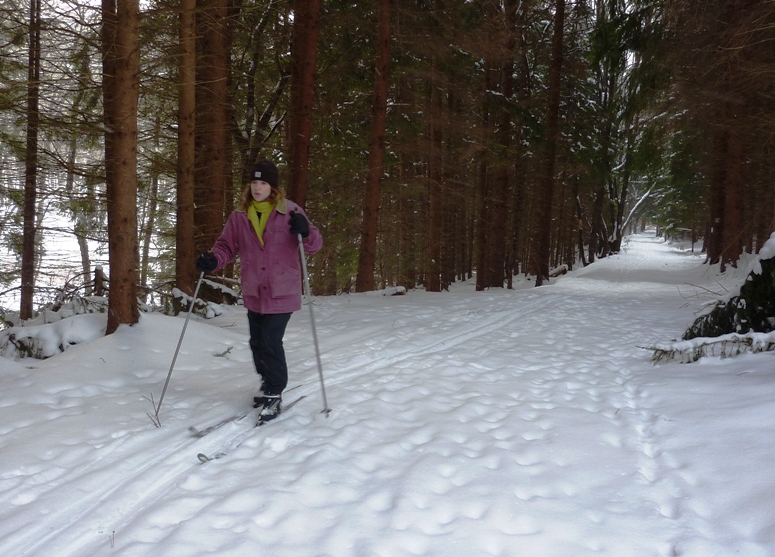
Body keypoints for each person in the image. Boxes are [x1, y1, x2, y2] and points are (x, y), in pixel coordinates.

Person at [195, 160, 323, 423]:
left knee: (270, 340)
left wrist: (305, 230)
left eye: (263, 183)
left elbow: (313, 245)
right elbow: (226, 247)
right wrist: (213, 261)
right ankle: (267, 383)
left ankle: (275, 393)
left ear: (273, 187)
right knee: (256, 342)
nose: (257, 187)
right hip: (255, 290)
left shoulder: (290, 211)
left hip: (283, 290)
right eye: (254, 182)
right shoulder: (239, 216)